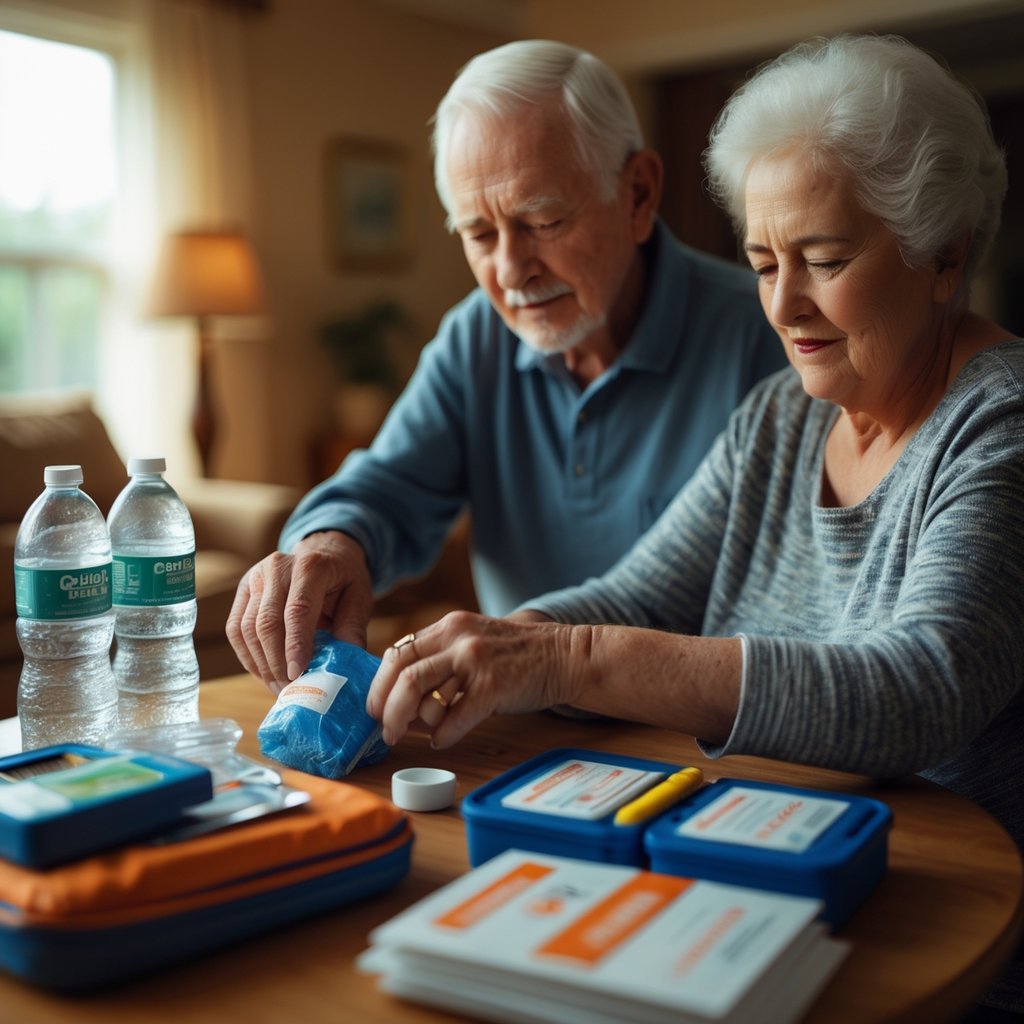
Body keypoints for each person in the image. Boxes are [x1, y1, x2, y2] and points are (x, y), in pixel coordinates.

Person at [367, 35, 1024, 1016]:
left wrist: (570, 656)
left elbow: (917, 685)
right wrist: (488, 648)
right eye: (762, 262)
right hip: (746, 883)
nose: (785, 305)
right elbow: (637, 594)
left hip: (931, 941)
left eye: (826, 259)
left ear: (944, 255)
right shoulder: (780, 418)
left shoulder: (1000, 421)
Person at [227, 39, 784, 687]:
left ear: (638, 193)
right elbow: (389, 487)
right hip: (520, 726)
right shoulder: (477, 337)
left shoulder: (772, 336)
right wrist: (329, 545)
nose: (511, 271)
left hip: (707, 734)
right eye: (480, 234)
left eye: (543, 221)